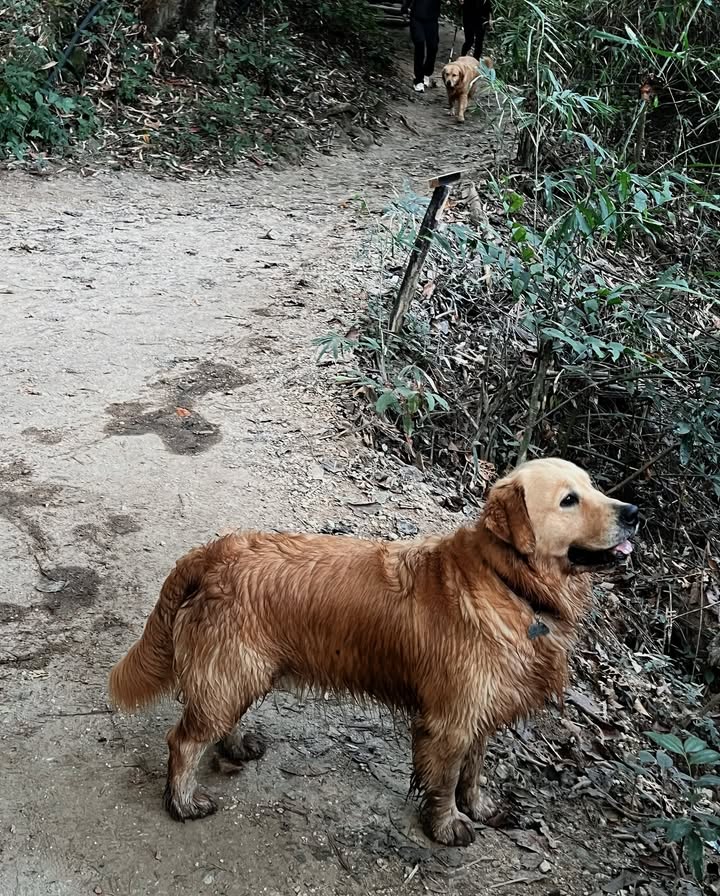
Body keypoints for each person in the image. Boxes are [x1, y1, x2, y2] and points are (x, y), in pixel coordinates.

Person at [402, 0, 441, 93]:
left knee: (433, 46)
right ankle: (418, 80)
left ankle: (426, 73)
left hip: (432, 19)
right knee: (419, 43)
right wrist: (404, 8)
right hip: (417, 17)